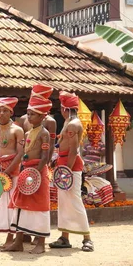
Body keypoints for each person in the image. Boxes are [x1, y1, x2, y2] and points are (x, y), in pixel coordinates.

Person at [5, 95, 52, 254]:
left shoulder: (44, 133)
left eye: (32, 114)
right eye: (28, 113)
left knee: (40, 206)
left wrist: (35, 175)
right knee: (20, 206)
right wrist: (25, 172)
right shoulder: (27, 133)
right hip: (26, 172)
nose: (29, 117)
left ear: (41, 116)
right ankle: (18, 241)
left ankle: (41, 244)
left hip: (37, 174)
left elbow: (45, 157)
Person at [50, 91, 94, 252]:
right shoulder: (69, 121)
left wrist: (66, 171)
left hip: (70, 167)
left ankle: (87, 238)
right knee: (63, 202)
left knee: (74, 201)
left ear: (64, 108)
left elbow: (74, 150)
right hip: (64, 164)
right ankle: (64, 237)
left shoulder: (73, 124)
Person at [0, 97, 24, 248]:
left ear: (11, 112)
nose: (1, 113)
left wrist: (7, 171)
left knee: (13, 202)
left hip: (12, 170)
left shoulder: (17, 130)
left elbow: (20, 154)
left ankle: (10, 237)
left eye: (5, 110)